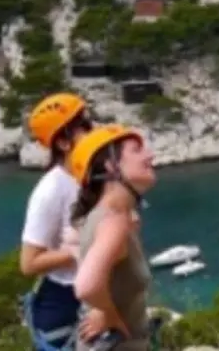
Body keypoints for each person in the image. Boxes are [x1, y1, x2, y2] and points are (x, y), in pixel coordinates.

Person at [20, 93, 101, 350]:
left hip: (95, 293)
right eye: (85, 125)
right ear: (64, 142)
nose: (93, 129)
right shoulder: (51, 190)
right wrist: (79, 251)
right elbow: (29, 262)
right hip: (66, 300)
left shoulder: (94, 177)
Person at [67, 124, 157, 351]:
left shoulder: (108, 216)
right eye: (136, 150)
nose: (150, 155)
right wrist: (108, 314)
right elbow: (86, 286)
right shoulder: (113, 221)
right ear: (111, 166)